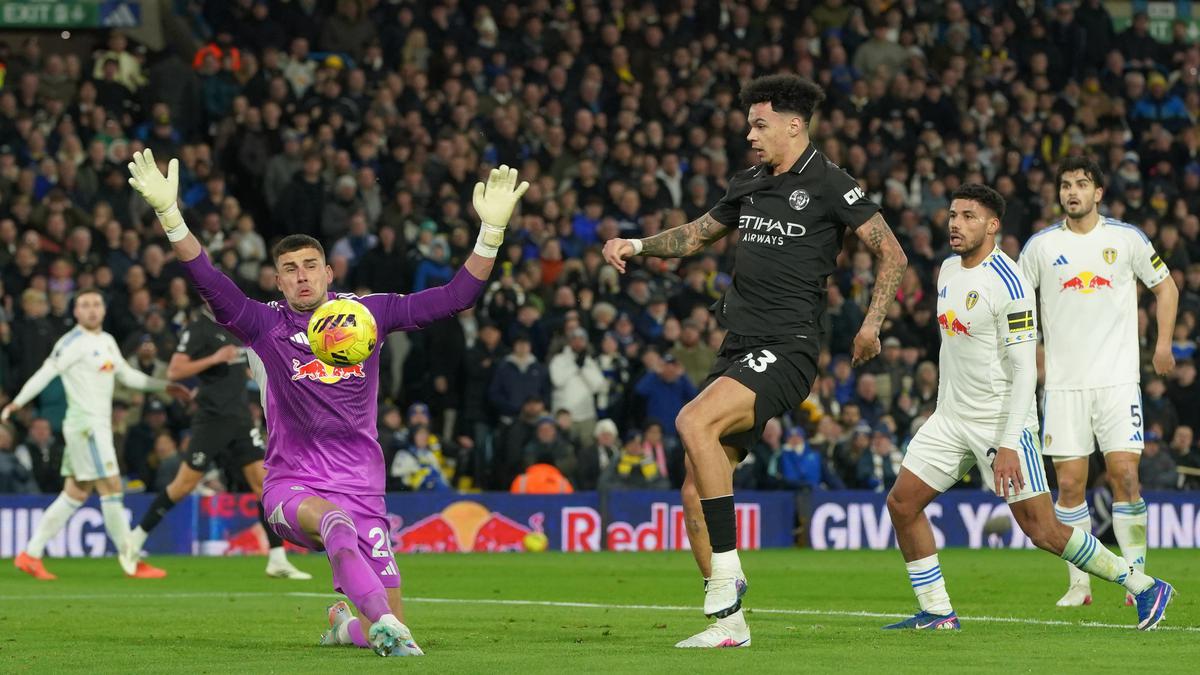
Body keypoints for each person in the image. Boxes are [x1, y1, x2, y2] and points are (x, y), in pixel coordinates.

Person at [127, 148, 527, 656]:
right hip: (294, 485)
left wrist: (490, 233)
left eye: (310, 266)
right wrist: (170, 215)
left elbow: (454, 298)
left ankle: (350, 626)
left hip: (364, 486)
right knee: (337, 529)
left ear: (328, 273)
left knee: (388, 615)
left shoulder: (369, 314)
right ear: (277, 280)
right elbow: (211, 283)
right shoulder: (266, 325)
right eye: (290, 269)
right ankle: (384, 626)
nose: (301, 276)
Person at [604, 74, 907, 648]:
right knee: (693, 487)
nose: (750, 135)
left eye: (759, 124)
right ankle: (728, 626)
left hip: (789, 347)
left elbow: (891, 251)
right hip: (738, 347)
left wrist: (871, 323)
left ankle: (727, 572)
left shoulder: (832, 184)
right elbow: (695, 236)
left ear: (795, 125)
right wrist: (636, 245)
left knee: (692, 420)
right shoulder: (748, 184)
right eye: (749, 125)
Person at [883, 184, 1174, 632]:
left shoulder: (1010, 283)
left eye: (968, 216)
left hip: (1002, 422)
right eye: (953, 215)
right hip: (950, 418)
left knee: (1043, 530)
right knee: (902, 503)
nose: (956, 224)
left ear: (992, 225)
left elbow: (1024, 373)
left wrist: (1008, 444)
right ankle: (938, 612)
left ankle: (1144, 585)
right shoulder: (945, 270)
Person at [1019, 156, 1179, 607]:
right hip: (1064, 386)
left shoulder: (1125, 239)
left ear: (1098, 193)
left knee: (1124, 474)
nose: (1073, 192)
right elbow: (1018, 303)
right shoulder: (1040, 247)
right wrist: (1032, 352)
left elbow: (1166, 287)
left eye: (1082, 184)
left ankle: (1137, 579)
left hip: (1117, 380)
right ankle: (1080, 585)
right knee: (1069, 485)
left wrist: (1162, 344)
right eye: (1066, 185)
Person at [4, 290, 189, 580]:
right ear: (76, 312)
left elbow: (126, 375)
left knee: (75, 493)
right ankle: (131, 560)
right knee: (113, 487)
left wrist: (162, 386)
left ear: (103, 311)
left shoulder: (106, 341)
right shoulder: (72, 342)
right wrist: (17, 402)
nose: (91, 310)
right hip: (86, 427)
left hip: (93, 428)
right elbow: (46, 371)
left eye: (96, 305)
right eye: (84, 305)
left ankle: (30, 554)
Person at [120, 306, 311, 580]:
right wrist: (214, 358)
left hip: (240, 418)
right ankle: (135, 540)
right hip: (212, 418)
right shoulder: (199, 327)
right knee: (182, 486)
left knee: (264, 484)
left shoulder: (236, 325)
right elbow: (175, 370)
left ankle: (277, 559)